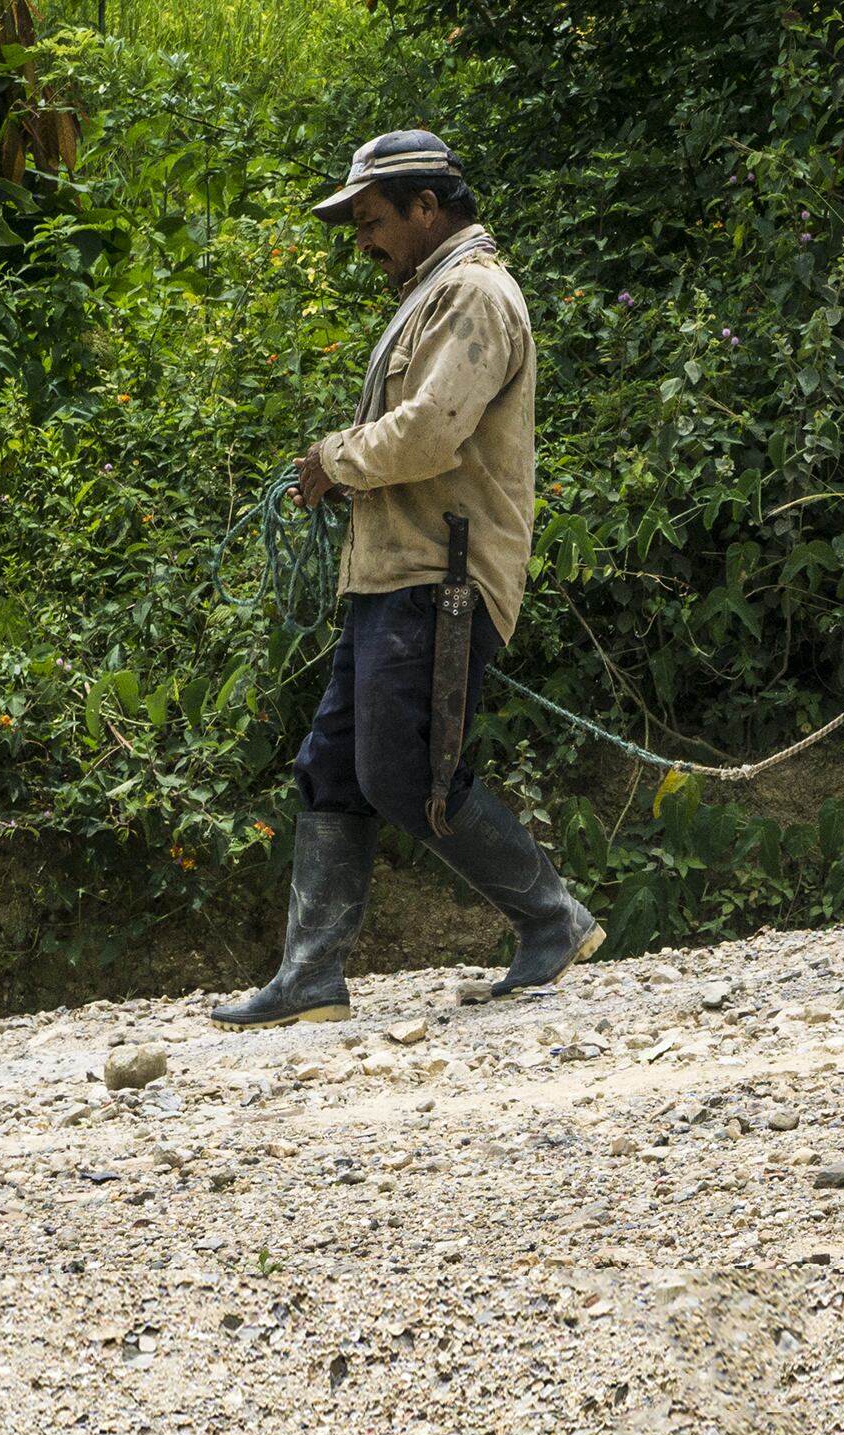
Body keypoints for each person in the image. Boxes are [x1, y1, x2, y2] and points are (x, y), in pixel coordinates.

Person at [211, 130, 604, 1029]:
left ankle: (552, 917)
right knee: (329, 768)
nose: (363, 239)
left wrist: (332, 459)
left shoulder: (472, 292)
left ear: (428, 207)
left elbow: (431, 432)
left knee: (405, 771)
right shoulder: (437, 292)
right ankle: (311, 974)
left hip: (443, 578)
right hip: (396, 574)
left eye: (373, 218)